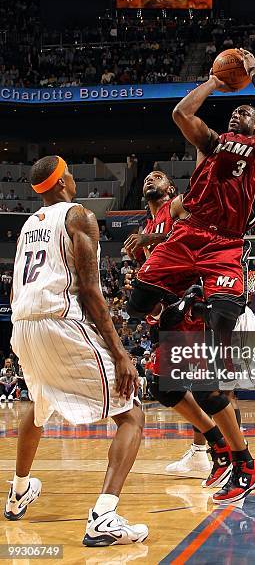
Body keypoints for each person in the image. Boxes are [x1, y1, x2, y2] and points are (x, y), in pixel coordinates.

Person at [127, 48, 255, 503]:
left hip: (226, 247)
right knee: (141, 313)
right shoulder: (212, 147)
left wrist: (253, 74)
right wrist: (216, 80)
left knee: (208, 361)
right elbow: (180, 114)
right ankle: (223, 449)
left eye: (245, 114)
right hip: (191, 239)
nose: (239, 114)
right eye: (235, 111)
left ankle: (241, 460)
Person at [4, 156, 148, 547]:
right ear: (62, 180)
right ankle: (104, 515)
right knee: (132, 413)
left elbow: (16, 290)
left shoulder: (27, 228)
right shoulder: (78, 216)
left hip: (22, 325)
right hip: (59, 322)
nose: (72, 176)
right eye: (69, 171)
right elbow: (88, 290)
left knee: (40, 402)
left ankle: (17, 493)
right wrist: (119, 351)